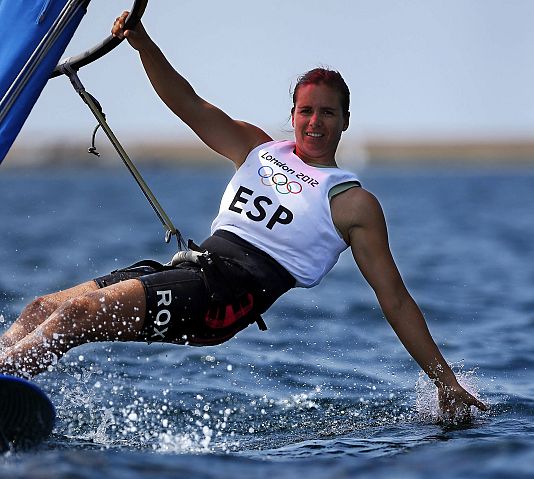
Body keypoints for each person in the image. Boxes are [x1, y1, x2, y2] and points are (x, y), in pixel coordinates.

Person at [0, 11, 486, 421]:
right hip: (190, 270)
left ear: (345, 121)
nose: (315, 122)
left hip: (225, 300)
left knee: (81, 314)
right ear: (292, 114)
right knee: (40, 309)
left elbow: (395, 299)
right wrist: (142, 44)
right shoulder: (257, 149)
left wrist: (445, 383)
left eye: (328, 114)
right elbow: (190, 105)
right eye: (306, 111)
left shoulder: (352, 203)